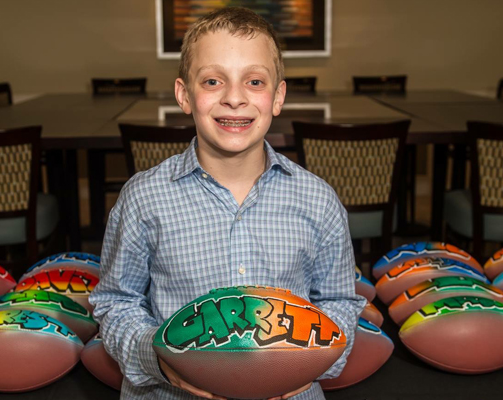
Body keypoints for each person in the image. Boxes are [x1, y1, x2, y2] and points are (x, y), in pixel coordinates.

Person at [89, 7, 365, 400]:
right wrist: (161, 359)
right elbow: (116, 303)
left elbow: (337, 302)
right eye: (213, 81)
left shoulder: (318, 201)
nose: (234, 98)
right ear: (185, 96)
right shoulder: (143, 199)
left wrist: (313, 362)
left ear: (277, 97)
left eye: (254, 81)